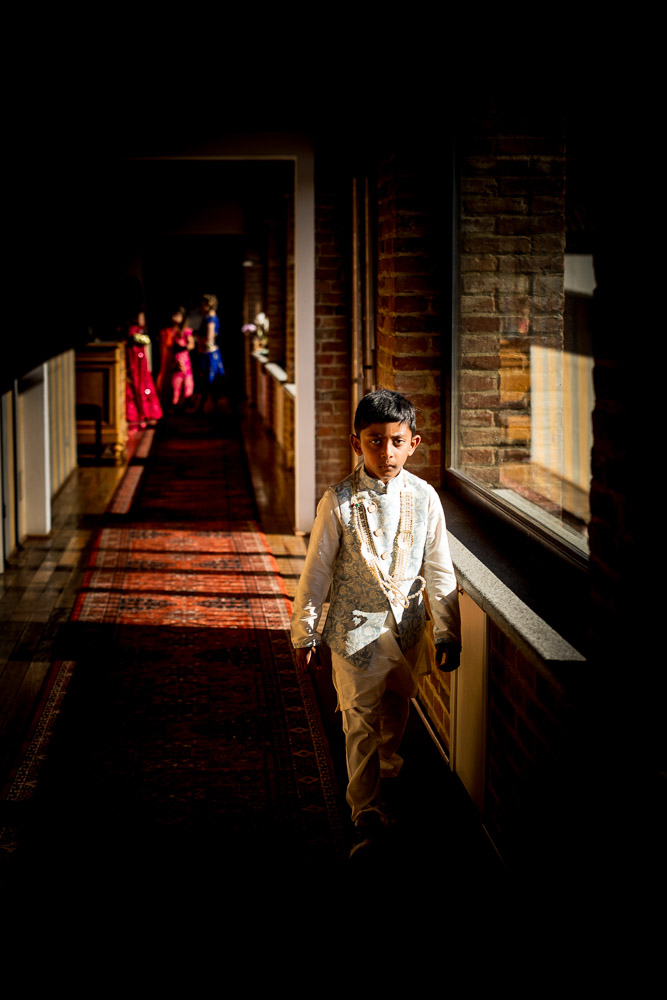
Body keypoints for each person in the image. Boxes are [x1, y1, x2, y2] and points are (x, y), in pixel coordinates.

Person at [290, 389, 461, 856]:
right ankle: (364, 811)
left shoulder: (425, 498)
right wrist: (307, 630)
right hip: (353, 631)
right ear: (355, 443)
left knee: (395, 708)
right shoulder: (339, 501)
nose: (385, 452)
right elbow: (317, 570)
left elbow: (439, 568)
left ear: (414, 443)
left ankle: (386, 774)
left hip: (405, 629)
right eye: (373, 441)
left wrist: (447, 630)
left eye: (395, 441)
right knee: (359, 718)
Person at [125, 310, 163, 428]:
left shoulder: (140, 330)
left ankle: (148, 413)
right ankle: (141, 415)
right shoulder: (132, 330)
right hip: (135, 364)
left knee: (145, 388)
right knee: (138, 387)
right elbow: (145, 340)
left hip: (142, 364)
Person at [157, 307, 195, 410]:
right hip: (173, 358)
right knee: (175, 381)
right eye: (173, 315)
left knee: (185, 379)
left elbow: (191, 344)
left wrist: (183, 347)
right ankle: (174, 402)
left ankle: (184, 401)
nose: (174, 318)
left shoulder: (185, 331)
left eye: (177, 315)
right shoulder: (169, 331)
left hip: (183, 357)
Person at [197, 293, 224, 411]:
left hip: (209, 353)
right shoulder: (211, 317)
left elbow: (209, 340)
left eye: (203, 305)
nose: (201, 308)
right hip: (212, 352)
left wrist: (199, 342)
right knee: (210, 380)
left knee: (209, 380)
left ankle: (209, 406)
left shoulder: (210, 319)